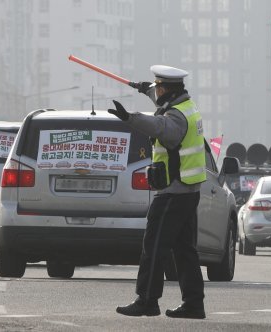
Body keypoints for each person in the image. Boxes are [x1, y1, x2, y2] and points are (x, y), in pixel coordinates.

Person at [108, 65, 207, 319]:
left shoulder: (175, 117)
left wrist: (130, 118)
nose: (156, 90)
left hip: (173, 192)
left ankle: (147, 301)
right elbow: (161, 103)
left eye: (158, 86)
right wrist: (145, 90)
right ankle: (194, 304)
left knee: (154, 246)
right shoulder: (187, 106)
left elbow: (160, 127)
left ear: (168, 89)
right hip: (187, 190)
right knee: (185, 250)